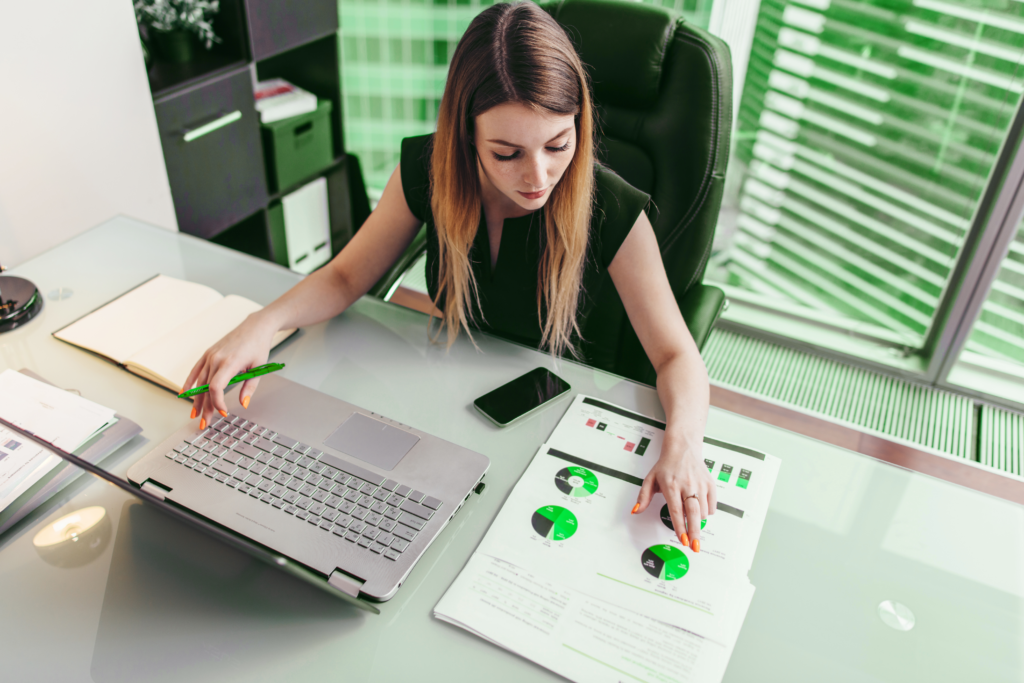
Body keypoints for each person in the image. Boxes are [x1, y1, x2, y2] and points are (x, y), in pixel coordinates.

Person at [184, 1, 716, 552]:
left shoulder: (610, 207)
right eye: (507, 153)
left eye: (558, 144)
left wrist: (683, 443)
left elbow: (678, 356)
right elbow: (346, 276)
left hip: (555, 428)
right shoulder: (430, 170)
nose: (538, 177)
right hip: (453, 409)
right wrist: (262, 323)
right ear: (465, 134)